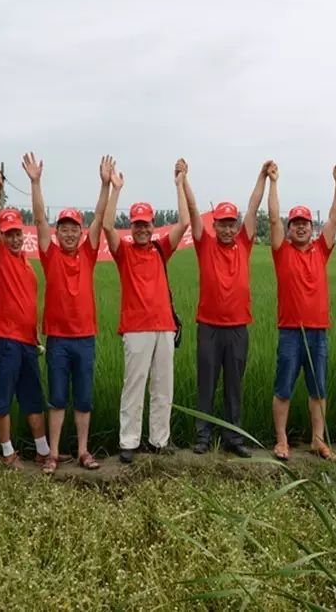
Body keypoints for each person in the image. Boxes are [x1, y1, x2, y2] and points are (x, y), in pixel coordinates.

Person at [22, 152, 112, 474]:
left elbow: (99, 218)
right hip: (58, 339)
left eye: (74, 229)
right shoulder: (50, 255)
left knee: (84, 399)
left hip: (85, 338)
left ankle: (84, 451)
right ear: (57, 232)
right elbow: (38, 220)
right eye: (64, 229)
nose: (70, 234)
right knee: (58, 398)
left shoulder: (88, 254)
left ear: (81, 232)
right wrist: (35, 183)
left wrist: (105, 185)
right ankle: (54, 453)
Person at [103, 158, 190, 463]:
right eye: (137, 224)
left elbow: (184, 223)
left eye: (146, 224)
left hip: (164, 327)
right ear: (132, 226)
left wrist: (179, 184)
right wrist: (115, 189)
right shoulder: (124, 252)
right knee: (134, 386)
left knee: (163, 387)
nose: (142, 229)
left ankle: (159, 441)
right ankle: (128, 441)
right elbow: (107, 226)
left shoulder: (160, 249)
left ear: (153, 226)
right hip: (136, 328)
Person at [184, 160, 267, 457]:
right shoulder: (204, 245)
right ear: (215, 225)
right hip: (208, 327)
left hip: (237, 328)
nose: (228, 229)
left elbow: (254, 207)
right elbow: (193, 210)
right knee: (206, 384)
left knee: (234, 386)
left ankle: (233, 437)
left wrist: (262, 176)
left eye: (232, 223)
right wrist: (184, 179)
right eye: (223, 223)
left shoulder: (244, 244)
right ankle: (203, 437)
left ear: (237, 226)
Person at [268, 162, 336, 461]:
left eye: (305, 223)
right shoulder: (281, 251)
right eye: (295, 223)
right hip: (290, 332)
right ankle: (282, 441)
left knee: (318, 390)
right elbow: (272, 218)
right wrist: (274, 182)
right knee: (283, 388)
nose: (301, 226)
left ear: (311, 228)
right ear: (289, 229)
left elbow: (335, 216)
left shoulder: (320, 249)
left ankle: (318, 440)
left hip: (318, 333)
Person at [0, 164, 53, 469]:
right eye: (8, 234)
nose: (13, 239)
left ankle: (42, 450)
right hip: (5, 340)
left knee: (32, 397)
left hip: (27, 342)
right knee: (3, 397)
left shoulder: (27, 265)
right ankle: (8, 453)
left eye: (17, 233)